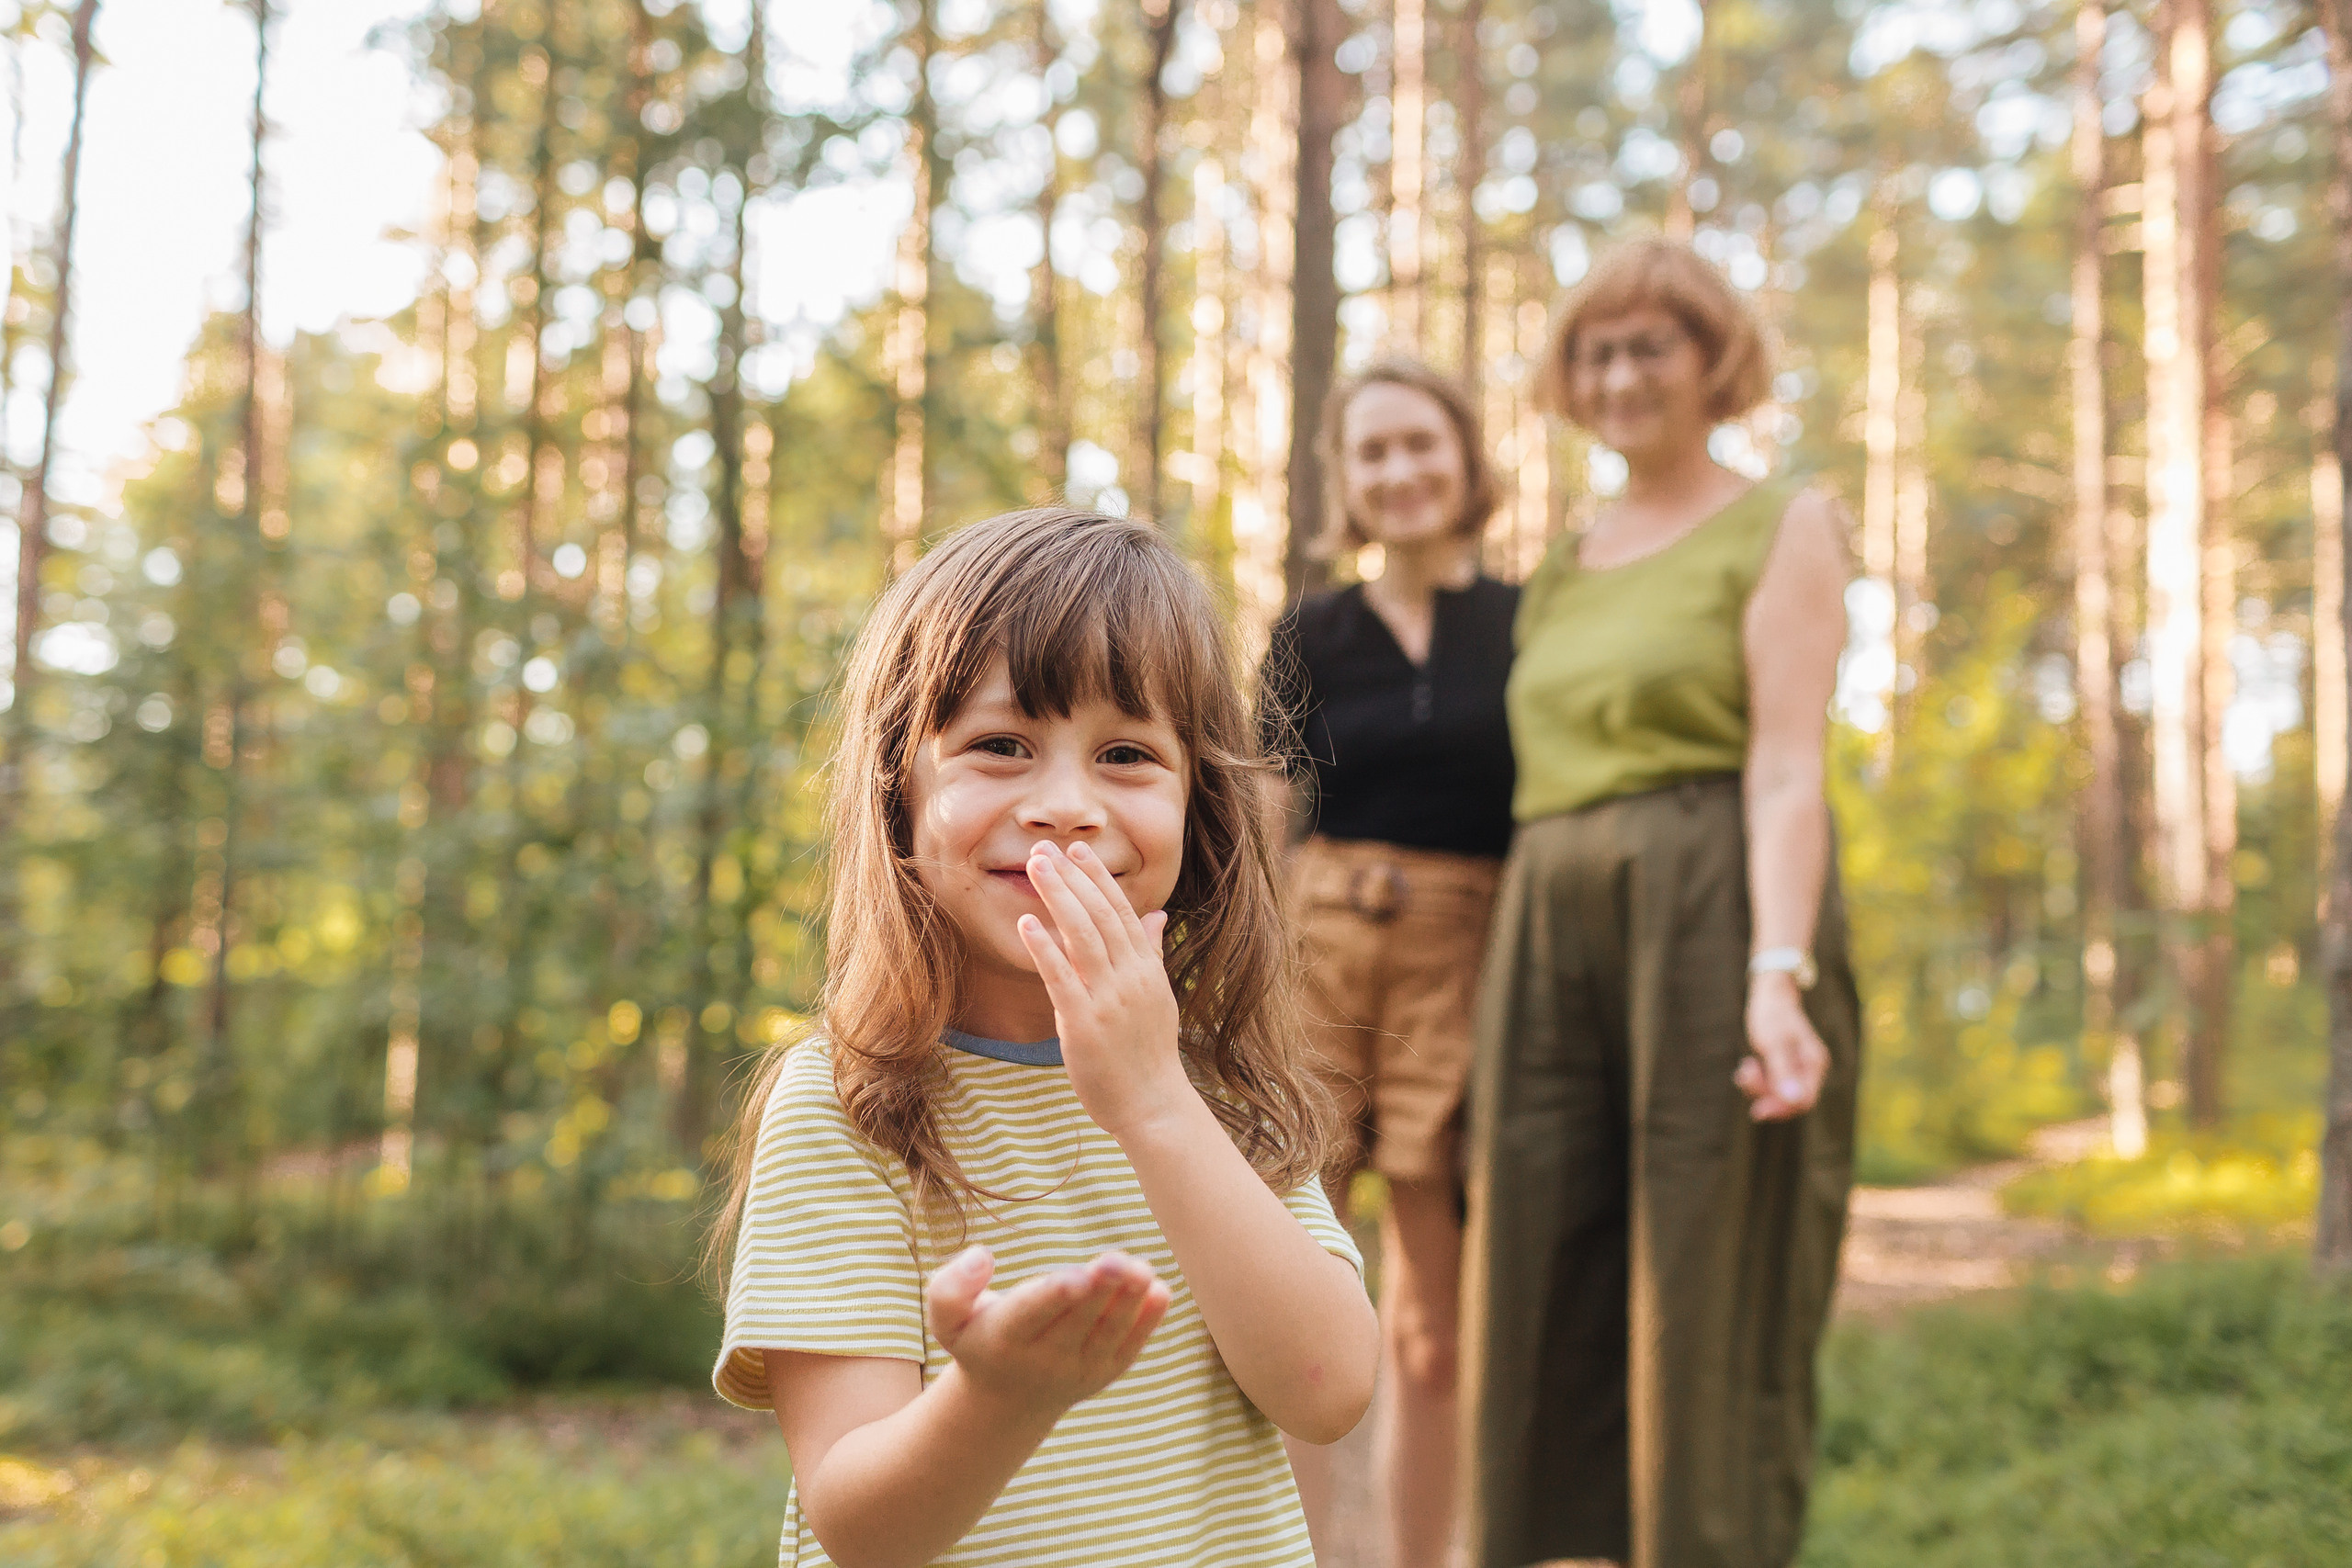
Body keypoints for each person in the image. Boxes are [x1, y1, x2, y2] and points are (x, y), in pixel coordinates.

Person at [705, 508, 1379, 1568]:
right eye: (1000, 746)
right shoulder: (845, 1105)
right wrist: (1000, 1399)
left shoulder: (1214, 1088)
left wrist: (1154, 1103)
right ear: (899, 798)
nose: (1064, 807)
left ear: (1200, 814)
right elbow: (862, 1528)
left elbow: (1328, 1392)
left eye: (1124, 754)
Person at [1461, 238, 1863, 1568]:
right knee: (1538, 1254)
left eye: (1651, 347)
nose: (1621, 374)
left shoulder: (1782, 519)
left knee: (1706, 1259)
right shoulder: (1564, 563)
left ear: (1712, 363)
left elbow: (1788, 761)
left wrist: (1778, 967)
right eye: (1597, 350)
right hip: (1550, 921)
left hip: (1708, 904)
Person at [1262, 357, 1516, 1568]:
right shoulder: (1309, 633)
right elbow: (1264, 817)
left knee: (1433, 1327)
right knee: (1303, 1298)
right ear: (1346, 482)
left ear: (1466, 456)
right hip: (1314, 956)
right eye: (1372, 452)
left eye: (1421, 442)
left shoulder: (1529, 624)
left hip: (1462, 967)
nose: (1400, 470)